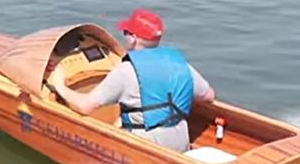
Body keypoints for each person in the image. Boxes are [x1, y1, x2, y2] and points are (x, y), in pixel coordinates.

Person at [48, 8, 216, 152]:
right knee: (122, 119)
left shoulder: (126, 71)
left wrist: (60, 85)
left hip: (146, 148)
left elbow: (85, 106)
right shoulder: (181, 64)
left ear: (133, 38)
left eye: (126, 33)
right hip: (180, 143)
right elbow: (209, 96)